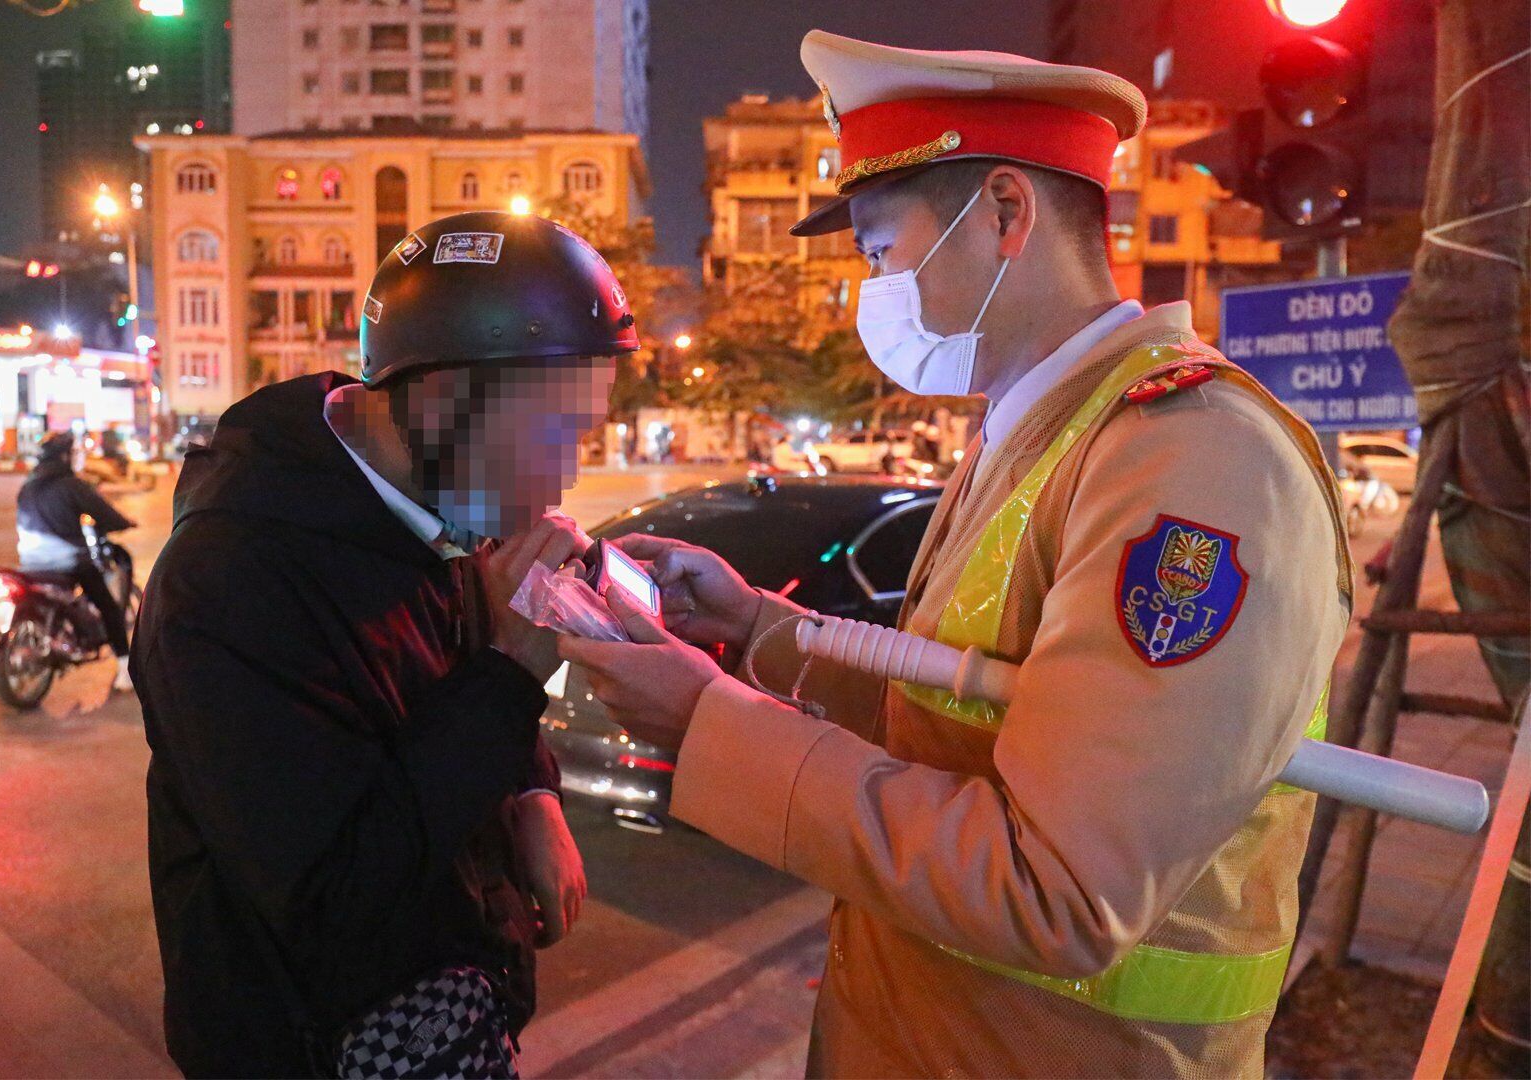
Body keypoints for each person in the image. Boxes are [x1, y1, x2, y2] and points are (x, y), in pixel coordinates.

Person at [558, 31, 1352, 1079]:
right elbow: (965, 706)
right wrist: (756, 632)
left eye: (882, 253)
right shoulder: (1037, 431)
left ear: (1006, 215)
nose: (871, 293)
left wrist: (708, 726)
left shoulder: (1192, 459)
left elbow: (1058, 888)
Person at [133, 211, 634, 1077]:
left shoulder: (443, 502)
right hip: (312, 1041)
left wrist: (531, 793)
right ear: (441, 399)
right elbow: (329, 891)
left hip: (459, 991)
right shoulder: (226, 583)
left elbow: (454, 704)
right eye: (553, 431)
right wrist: (512, 675)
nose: (566, 474)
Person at [16, 430, 137, 690]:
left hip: (29, 563)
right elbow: (104, 512)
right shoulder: (71, 486)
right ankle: (125, 668)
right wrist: (124, 522)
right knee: (108, 605)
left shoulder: (27, 487)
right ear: (64, 457)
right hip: (65, 563)